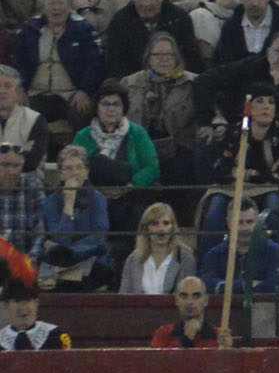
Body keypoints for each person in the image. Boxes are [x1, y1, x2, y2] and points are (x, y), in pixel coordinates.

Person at [198, 82, 279, 249]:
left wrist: (245, 173)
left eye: (271, 102)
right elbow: (219, 169)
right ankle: (208, 266)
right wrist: (250, 175)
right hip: (232, 187)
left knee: (274, 208)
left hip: (270, 187)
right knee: (214, 211)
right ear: (249, 107)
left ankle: (277, 265)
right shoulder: (235, 132)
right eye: (260, 101)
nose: (266, 107)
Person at [73, 79, 160, 239]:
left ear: (124, 108)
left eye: (116, 104)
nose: (111, 109)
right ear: (97, 108)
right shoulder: (83, 136)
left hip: (129, 195)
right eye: (105, 104)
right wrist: (98, 191)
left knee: (139, 211)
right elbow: (74, 170)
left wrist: (127, 186)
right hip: (94, 196)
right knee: (97, 163)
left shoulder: (137, 133)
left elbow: (151, 167)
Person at [195, 30, 279, 139]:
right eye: (278, 51)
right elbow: (205, 80)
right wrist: (206, 121)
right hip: (241, 128)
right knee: (206, 139)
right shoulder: (249, 67)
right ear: (268, 52)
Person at [15, 0, 104, 130]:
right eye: (51, 4)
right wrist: (20, 89)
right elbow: (18, 63)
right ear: (43, 8)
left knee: (82, 115)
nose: (56, 8)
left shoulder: (83, 30)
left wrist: (85, 91)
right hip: (35, 94)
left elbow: (96, 64)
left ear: (69, 6)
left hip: (70, 96)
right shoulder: (30, 29)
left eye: (60, 3)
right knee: (18, 116)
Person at [31, 144, 113, 291]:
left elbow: (98, 237)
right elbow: (60, 239)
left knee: (99, 270)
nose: (75, 173)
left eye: (79, 167)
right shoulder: (51, 202)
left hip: (89, 259)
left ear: (87, 172)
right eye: (68, 168)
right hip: (59, 263)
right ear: (61, 174)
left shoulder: (97, 199)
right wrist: (68, 204)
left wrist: (70, 251)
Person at [121, 32, 198, 188]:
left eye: (169, 54)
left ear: (177, 57)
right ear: (148, 58)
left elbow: (210, 112)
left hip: (179, 146)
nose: (164, 59)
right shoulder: (130, 83)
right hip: (140, 144)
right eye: (158, 55)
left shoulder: (193, 82)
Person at [103, 0, 202, 80]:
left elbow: (192, 59)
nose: (146, 3)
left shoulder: (180, 18)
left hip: (176, 81)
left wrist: (170, 78)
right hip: (134, 84)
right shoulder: (120, 20)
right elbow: (115, 64)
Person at [200, 197, 279, 294]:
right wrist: (245, 285)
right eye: (239, 222)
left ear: (258, 222)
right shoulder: (214, 254)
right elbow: (207, 284)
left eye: (250, 222)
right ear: (228, 223)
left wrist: (226, 287)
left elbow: (275, 285)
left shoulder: (274, 251)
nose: (245, 228)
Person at [119, 200, 197, 294]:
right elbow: (123, 298)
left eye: (166, 223)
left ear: (173, 227)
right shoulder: (133, 260)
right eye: (155, 224)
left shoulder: (185, 259)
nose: (161, 229)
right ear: (146, 228)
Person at [149, 275, 232, 348]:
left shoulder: (219, 337)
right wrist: (186, 339)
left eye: (196, 296)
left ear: (206, 301)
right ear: (176, 300)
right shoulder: (163, 334)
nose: (189, 301)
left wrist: (228, 352)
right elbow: (160, 364)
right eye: (184, 296)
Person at [0, 64, 47, 172]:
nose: (2, 91)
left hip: (24, 179)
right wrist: (21, 150)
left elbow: (32, 162)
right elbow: (25, 157)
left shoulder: (35, 120)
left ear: (18, 93)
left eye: (7, 86)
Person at [0, 138, 43, 252]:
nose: (12, 171)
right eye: (5, 165)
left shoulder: (33, 186)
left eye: (16, 166)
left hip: (23, 262)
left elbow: (41, 231)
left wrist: (31, 258)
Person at [1, 278, 68, 349]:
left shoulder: (55, 335)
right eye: (17, 301)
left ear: (36, 303)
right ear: (6, 305)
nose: (23, 307)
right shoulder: (1, 340)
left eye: (28, 300)